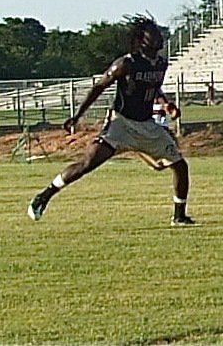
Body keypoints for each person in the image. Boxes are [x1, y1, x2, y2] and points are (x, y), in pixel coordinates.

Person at [27, 15, 196, 226]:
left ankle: (179, 216)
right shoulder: (126, 63)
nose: (159, 38)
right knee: (87, 164)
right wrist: (78, 115)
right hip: (121, 124)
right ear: (142, 39)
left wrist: (165, 103)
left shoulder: (161, 63)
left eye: (159, 34)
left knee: (180, 167)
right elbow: (99, 87)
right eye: (153, 34)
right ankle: (44, 196)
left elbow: (152, 87)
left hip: (147, 125)